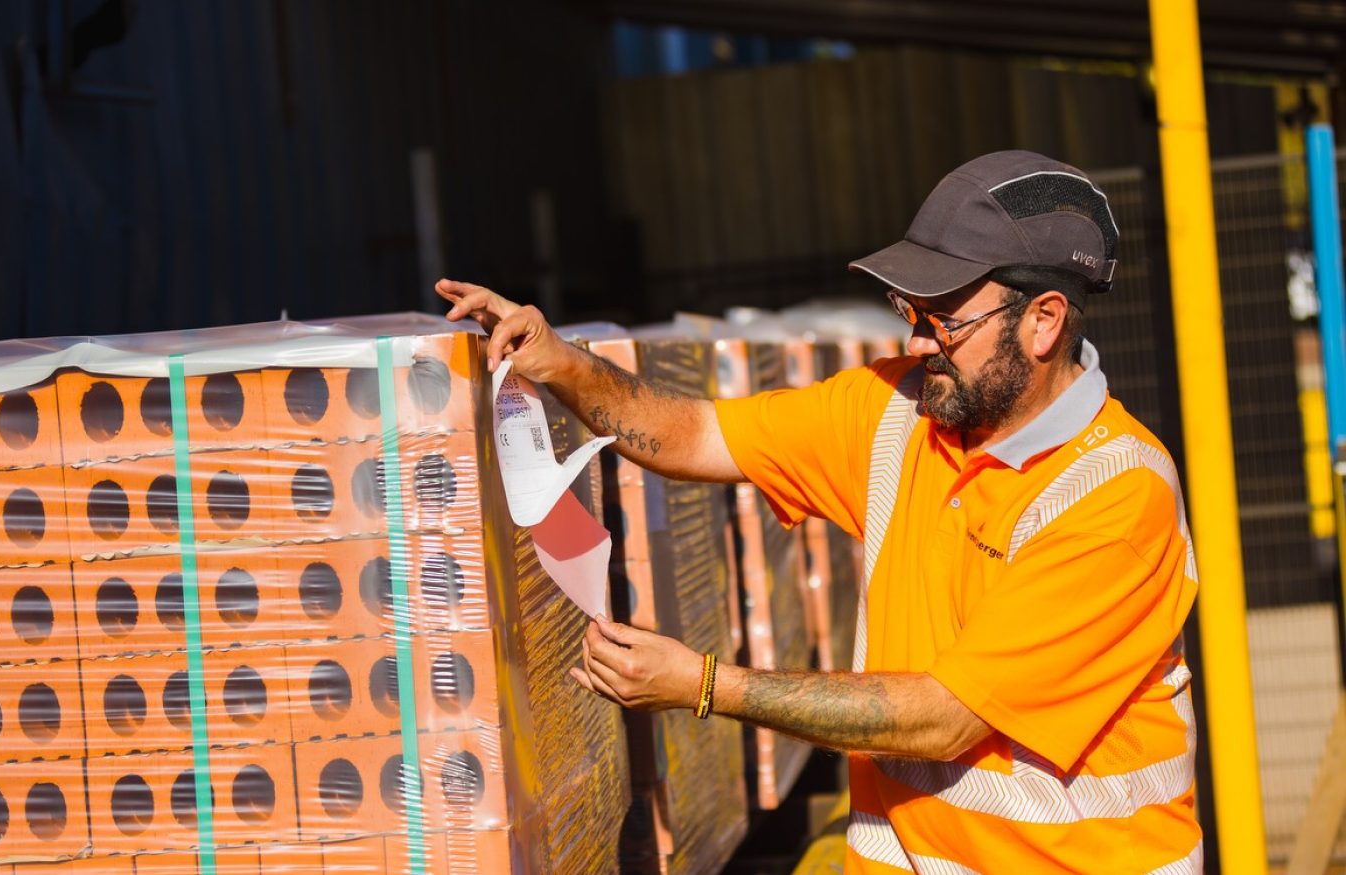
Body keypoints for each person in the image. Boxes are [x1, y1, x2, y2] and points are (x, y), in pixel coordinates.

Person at [437, 150, 1201, 874]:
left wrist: (704, 684)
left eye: (944, 318)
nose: (914, 336)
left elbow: (942, 716)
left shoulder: (1116, 496)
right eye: (910, 307)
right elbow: (700, 434)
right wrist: (560, 360)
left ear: (1043, 320)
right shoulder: (895, 409)